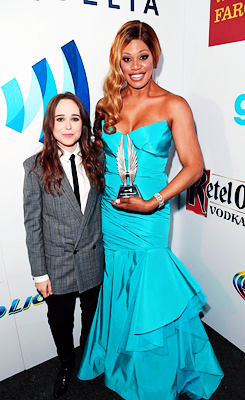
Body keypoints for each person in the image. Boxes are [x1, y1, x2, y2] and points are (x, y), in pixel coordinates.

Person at [78, 21, 223, 400]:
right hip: (113, 216)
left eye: (143, 56)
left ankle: (153, 378)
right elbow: (103, 158)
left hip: (150, 215)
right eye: (127, 59)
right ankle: (120, 362)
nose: (136, 66)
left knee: (150, 289)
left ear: (155, 56)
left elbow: (193, 166)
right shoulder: (106, 104)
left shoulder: (174, 104)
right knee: (120, 283)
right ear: (118, 62)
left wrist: (155, 201)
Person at [23, 92, 104, 399]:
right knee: (60, 321)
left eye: (75, 118)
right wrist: (39, 272)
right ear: (50, 124)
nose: (68, 126)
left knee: (92, 316)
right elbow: (33, 224)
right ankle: (67, 363)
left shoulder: (98, 159)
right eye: (60, 119)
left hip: (93, 260)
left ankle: (87, 358)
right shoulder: (35, 168)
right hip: (56, 265)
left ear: (84, 123)